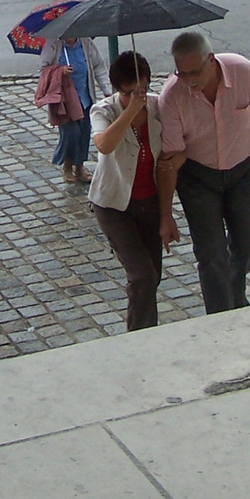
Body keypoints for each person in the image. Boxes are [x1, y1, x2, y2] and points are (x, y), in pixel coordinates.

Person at [156, 32, 250, 316]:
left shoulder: (244, 73)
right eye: (181, 72)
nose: (188, 79)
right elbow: (169, 159)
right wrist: (165, 214)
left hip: (241, 170)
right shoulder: (172, 96)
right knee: (210, 254)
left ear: (211, 60)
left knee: (249, 244)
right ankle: (222, 316)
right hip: (197, 176)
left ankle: (232, 290)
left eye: (194, 71)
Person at [88, 52, 164, 331]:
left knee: (152, 275)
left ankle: (143, 326)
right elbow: (104, 145)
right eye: (128, 91)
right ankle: (140, 334)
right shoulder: (104, 110)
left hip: (149, 201)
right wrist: (130, 111)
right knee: (142, 274)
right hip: (114, 204)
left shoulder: (158, 107)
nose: (136, 95)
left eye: (140, 90)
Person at [38, 34, 107, 184]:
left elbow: (98, 66)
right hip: (64, 100)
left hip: (84, 97)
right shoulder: (54, 45)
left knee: (83, 134)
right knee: (71, 133)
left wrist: (106, 89)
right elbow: (43, 71)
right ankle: (67, 166)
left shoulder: (86, 43)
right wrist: (59, 71)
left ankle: (80, 167)